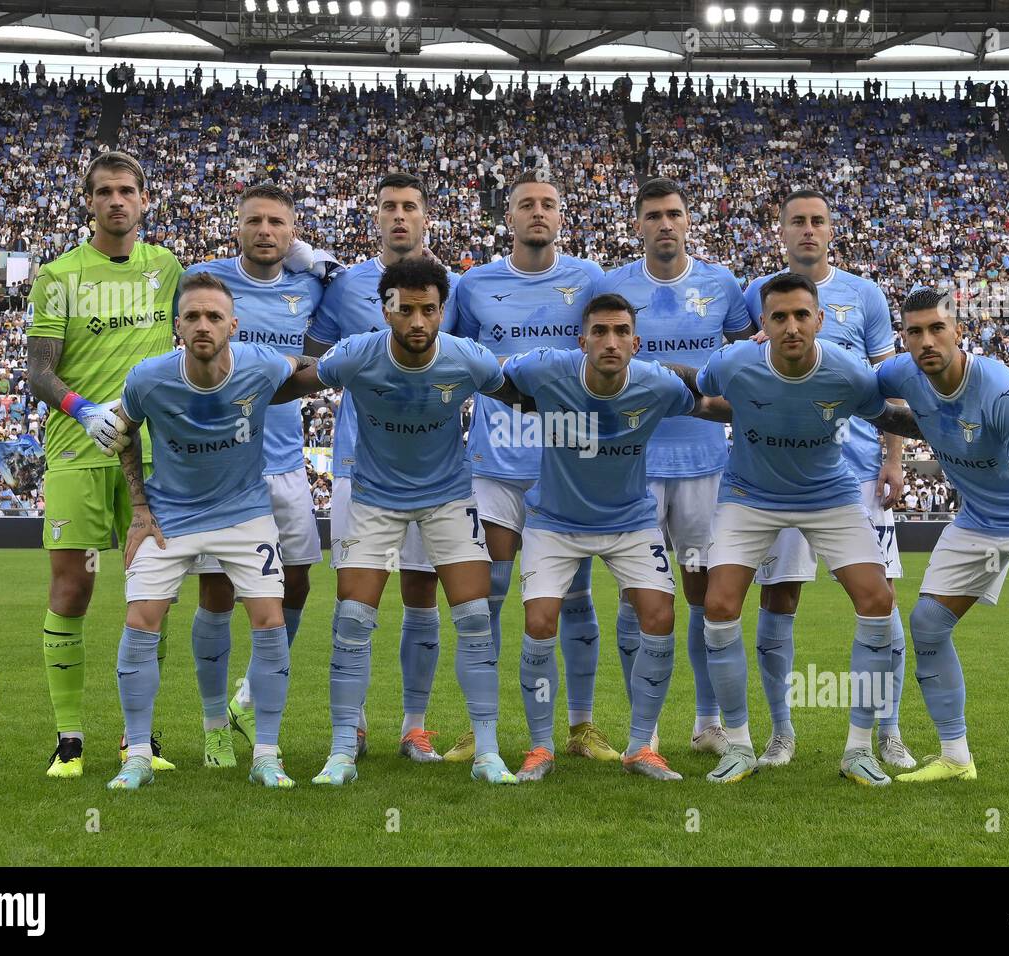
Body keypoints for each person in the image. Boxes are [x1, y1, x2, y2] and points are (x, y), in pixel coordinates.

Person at [281, 258, 529, 787]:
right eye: (406, 309)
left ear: (442, 312)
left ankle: (488, 752)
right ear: (386, 310)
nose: (418, 321)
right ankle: (342, 751)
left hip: (448, 498)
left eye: (429, 310)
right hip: (373, 499)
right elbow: (293, 383)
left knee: (476, 622)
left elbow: (519, 393)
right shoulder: (354, 355)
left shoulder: (469, 359)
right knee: (351, 621)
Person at [695, 273, 921, 785]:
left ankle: (860, 748)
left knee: (878, 601)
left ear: (820, 319)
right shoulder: (733, 363)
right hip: (750, 495)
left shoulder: (849, 373)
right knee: (720, 605)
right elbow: (701, 392)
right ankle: (740, 743)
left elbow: (891, 414)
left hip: (828, 496)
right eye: (779, 317)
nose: (791, 326)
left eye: (801, 315)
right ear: (763, 325)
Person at [505, 293, 732, 782]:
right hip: (554, 521)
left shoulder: (658, 384)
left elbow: (712, 403)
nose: (611, 341)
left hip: (629, 521)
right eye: (601, 332)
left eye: (621, 332)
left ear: (637, 342)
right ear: (582, 339)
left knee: (659, 614)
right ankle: (540, 747)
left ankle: (640, 746)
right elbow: (492, 373)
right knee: (540, 622)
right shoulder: (545, 370)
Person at [879, 288, 1009, 800]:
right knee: (927, 624)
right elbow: (855, 390)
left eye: (936, 328)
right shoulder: (903, 376)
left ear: (958, 332)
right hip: (978, 517)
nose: (926, 341)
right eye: (915, 331)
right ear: (903, 339)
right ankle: (954, 757)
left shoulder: (1002, 390)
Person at [742, 187, 914, 771]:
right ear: (782, 232)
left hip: (858, 472)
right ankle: (781, 732)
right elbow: (744, 374)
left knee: (879, 602)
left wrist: (892, 460)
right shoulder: (756, 295)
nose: (808, 230)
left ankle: (885, 731)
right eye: (797, 222)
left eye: (818, 221)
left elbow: (888, 386)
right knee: (779, 596)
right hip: (780, 473)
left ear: (831, 230)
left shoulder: (864, 295)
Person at [106, 271, 299, 790]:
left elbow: (304, 368)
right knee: (141, 620)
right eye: (192, 316)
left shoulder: (261, 364)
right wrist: (140, 509)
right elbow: (122, 430)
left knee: (269, 619)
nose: (203, 325)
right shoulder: (148, 378)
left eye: (214, 316)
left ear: (234, 325)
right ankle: (138, 756)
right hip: (170, 516)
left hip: (244, 512)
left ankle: (266, 754)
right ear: (177, 327)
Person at [26, 151, 183, 778]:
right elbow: (39, 368)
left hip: (149, 456)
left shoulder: (167, 268)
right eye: (105, 192)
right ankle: (68, 739)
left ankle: (137, 739)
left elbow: (218, 308)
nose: (117, 201)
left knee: (152, 592)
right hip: (76, 450)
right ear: (88, 202)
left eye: (128, 191)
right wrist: (83, 407)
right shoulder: (59, 275)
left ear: (145, 200)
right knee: (74, 587)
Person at [450, 170, 615, 760]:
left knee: (574, 596)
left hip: (563, 462)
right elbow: (459, 362)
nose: (538, 213)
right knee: (488, 591)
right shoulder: (473, 285)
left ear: (561, 216)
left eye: (548, 203)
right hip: (494, 463)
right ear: (509, 217)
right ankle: (482, 727)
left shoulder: (589, 278)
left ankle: (581, 726)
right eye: (527, 205)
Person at [597, 177, 754, 756]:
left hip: (704, 462)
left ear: (689, 221)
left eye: (675, 214)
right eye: (654, 215)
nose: (665, 224)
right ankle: (646, 727)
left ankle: (708, 721)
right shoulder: (611, 286)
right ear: (638, 224)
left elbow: (747, 358)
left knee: (701, 591)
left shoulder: (721, 284)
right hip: (630, 463)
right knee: (634, 596)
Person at [302, 173, 452, 762]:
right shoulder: (342, 288)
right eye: (389, 206)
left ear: (424, 217)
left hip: (433, 470)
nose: (399, 216)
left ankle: (415, 726)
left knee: (422, 593)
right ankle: (355, 723)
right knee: (355, 598)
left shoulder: (452, 288)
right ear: (376, 217)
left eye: (410, 206)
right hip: (358, 464)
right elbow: (309, 362)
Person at [181, 183, 328, 766]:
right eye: (255, 221)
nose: (266, 231)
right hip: (222, 468)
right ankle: (215, 724)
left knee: (298, 583)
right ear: (236, 227)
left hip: (286, 463)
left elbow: (319, 350)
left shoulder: (310, 285)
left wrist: (316, 260)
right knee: (217, 594)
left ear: (293, 235)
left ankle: (247, 696)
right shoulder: (205, 282)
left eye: (277, 223)